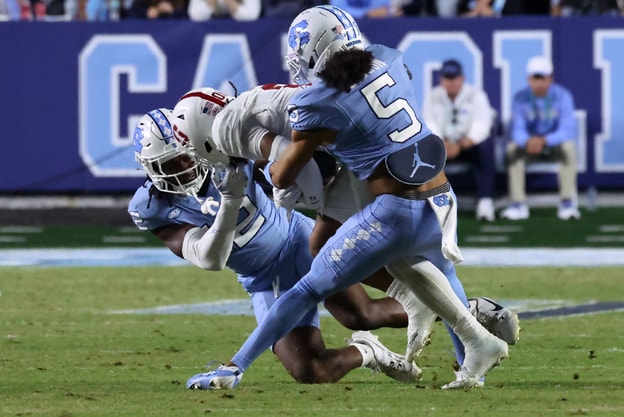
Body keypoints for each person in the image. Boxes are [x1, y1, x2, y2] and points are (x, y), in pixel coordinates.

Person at [217, 5, 511, 390]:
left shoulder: (317, 103)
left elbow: (284, 172)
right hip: (438, 191)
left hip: (396, 211)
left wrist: (262, 143)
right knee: (439, 271)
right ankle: (469, 357)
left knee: (309, 283)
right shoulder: (390, 57)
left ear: (315, 52)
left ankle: (235, 366)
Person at [170, 84, 521, 369]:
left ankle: (458, 324)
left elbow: (303, 170)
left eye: (192, 148)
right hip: (385, 157)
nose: (195, 158)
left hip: (368, 168)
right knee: (347, 275)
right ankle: (446, 311)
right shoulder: (253, 108)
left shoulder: (241, 126)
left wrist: (281, 187)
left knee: (331, 269)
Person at [128, 108, 421, 387]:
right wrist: (230, 202)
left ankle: (455, 311)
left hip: (299, 242)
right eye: (168, 164)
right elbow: (210, 258)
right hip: (263, 278)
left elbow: (277, 154)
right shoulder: (152, 207)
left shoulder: (221, 147)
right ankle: (367, 352)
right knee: (310, 371)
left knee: (362, 315)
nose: (183, 168)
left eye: (183, 157)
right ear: (148, 168)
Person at [501, 55, 580, 221]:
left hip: (552, 145)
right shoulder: (520, 98)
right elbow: (517, 130)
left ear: (550, 78)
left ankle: (567, 202)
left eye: (542, 78)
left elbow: (567, 130)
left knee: (568, 148)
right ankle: (518, 203)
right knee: (512, 149)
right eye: (535, 78)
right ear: (528, 79)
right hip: (529, 147)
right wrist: (528, 141)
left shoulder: (562, 96)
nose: (539, 83)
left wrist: (545, 140)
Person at [423, 59, 497, 222]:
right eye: (447, 78)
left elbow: (482, 125)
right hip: (443, 145)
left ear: (462, 78)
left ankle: (485, 201)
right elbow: (429, 123)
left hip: (467, 145)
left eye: (454, 78)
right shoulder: (434, 96)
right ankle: (431, 204)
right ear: (441, 80)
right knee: (423, 149)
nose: (451, 82)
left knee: (486, 147)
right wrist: (443, 144)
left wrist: (461, 144)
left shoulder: (476, 95)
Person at [187, 0, 260, 21]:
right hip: (210, 28)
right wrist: (210, 3)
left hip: (241, 28)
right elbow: (194, 15)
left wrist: (230, 3)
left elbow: (252, 14)